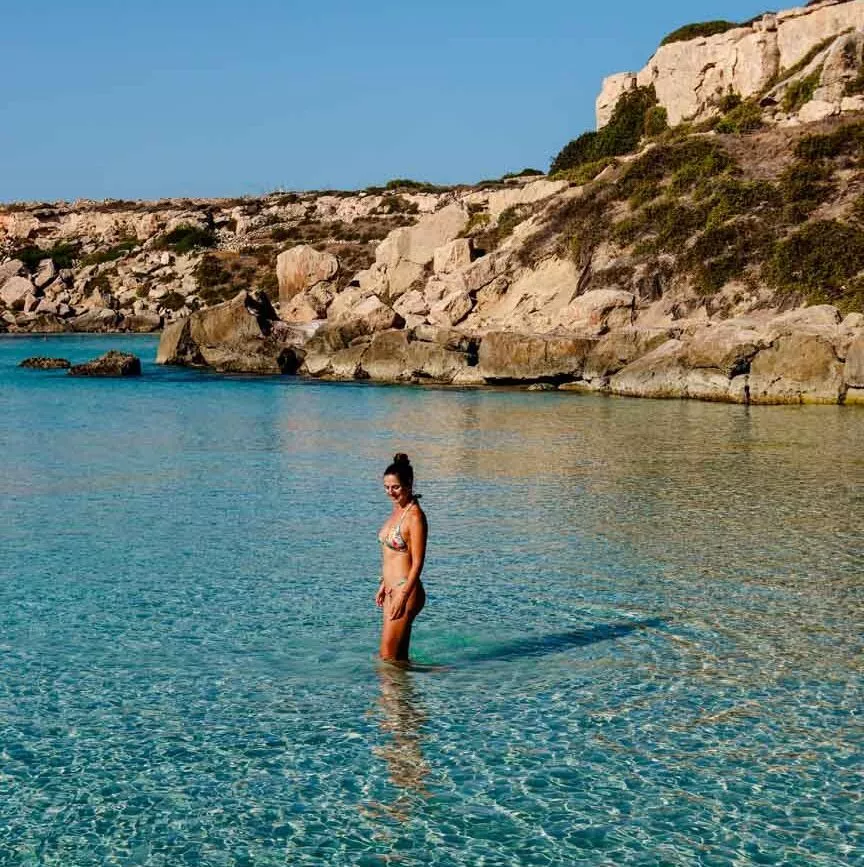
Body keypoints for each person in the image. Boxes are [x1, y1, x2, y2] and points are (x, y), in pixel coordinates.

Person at [376, 453, 427, 662]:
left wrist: (403, 596)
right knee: (398, 659)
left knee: (387, 658)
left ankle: (391, 695)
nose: (391, 492)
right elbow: (391, 555)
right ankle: (407, 695)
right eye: (387, 487)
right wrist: (382, 584)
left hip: (405, 589)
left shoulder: (415, 516)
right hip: (391, 589)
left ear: (409, 484)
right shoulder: (397, 510)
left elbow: (418, 562)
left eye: (395, 487)